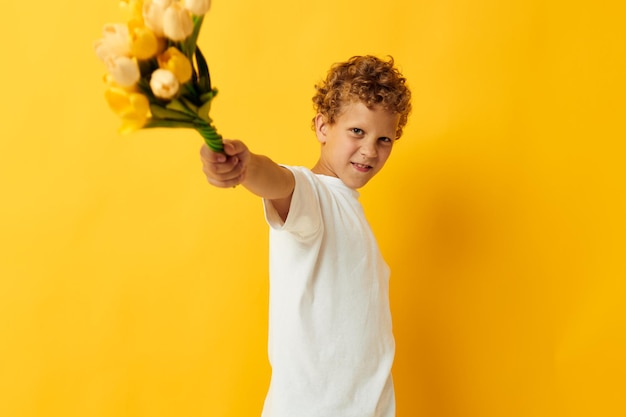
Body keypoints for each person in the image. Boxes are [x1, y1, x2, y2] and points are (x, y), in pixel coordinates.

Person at [200, 55, 412, 417]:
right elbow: (279, 181)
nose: (370, 150)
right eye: (357, 132)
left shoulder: (349, 211)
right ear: (323, 127)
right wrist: (245, 165)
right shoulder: (314, 197)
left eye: (384, 139)